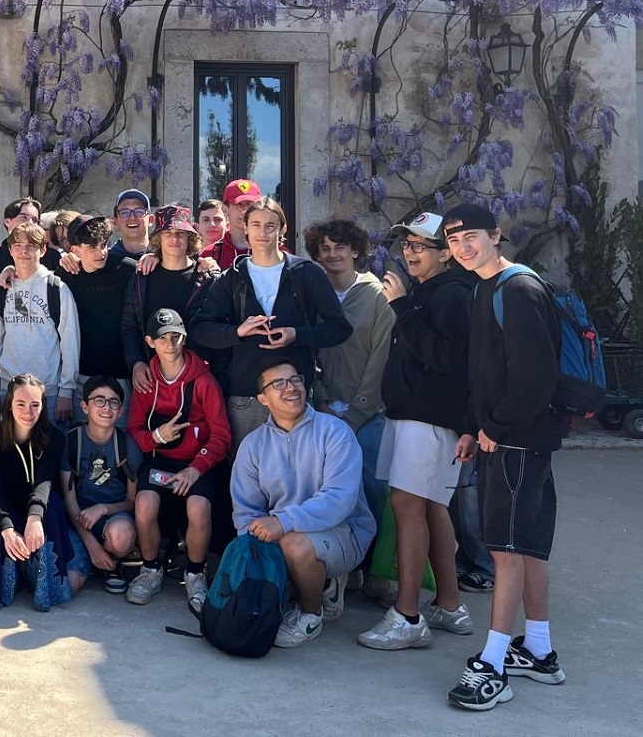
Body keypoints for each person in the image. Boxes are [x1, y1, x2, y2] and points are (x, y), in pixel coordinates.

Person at [441, 205, 567, 712]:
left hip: (517, 442)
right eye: (453, 241)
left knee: (506, 551)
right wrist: (473, 426)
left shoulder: (518, 289)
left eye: (471, 236)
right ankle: (538, 650)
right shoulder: (485, 288)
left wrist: (495, 426)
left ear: (496, 235)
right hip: (506, 438)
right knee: (527, 547)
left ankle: (492, 664)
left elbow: (536, 377)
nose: (462, 247)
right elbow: (485, 371)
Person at [356, 211, 476, 651]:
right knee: (431, 508)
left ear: (445, 253)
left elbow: (444, 357)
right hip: (413, 417)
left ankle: (407, 615)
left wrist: (402, 307)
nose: (410, 252)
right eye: (407, 245)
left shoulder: (452, 295)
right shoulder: (429, 291)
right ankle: (449, 604)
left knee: (408, 507)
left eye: (421, 246)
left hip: (428, 420)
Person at [231, 357, 375, 648]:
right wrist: (257, 551)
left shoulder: (335, 431)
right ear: (262, 399)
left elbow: (339, 499)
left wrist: (283, 522)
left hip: (343, 531)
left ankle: (311, 615)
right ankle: (324, 584)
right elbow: (246, 510)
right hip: (283, 534)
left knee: (294, 545)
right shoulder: (253, 444)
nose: (291, 388)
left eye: (295, 379)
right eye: (278, 383)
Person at [191, 198, 352, 445]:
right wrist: (237, 332)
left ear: (282, 229)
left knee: (300, 465)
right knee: (249, 466)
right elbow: (200, 329)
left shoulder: (306, 273)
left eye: (270, 226)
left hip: (295, 392)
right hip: (247, 396)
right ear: (245, 228)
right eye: (255, 225)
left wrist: (298, 334)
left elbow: (339, 328)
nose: (262, 233)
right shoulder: (232, 278)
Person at [126, 309, 231, 612]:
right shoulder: (146, 381)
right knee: (144, 504)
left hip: (196, 464)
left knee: (198, 507)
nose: (170, 345)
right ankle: (150, 569)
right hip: (160, 460)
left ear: (185, 338)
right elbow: (135, 430)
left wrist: (195, 469)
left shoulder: (204, 381)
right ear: (150, 342)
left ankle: (195, 574)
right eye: (162, 339)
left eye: (176, 337)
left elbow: (221, 436)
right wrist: (156, 436)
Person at [306, 218, 395, 522]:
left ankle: (375, 553)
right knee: (326, 490)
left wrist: (356, 415)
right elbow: (309, 352)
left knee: (373, 489)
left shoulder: (377, 295)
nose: (332, 254)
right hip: (323, 411)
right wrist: (321, 400)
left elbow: (382, 357)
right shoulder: (312, 295)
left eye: (340, 247)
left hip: (369, 414)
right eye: (325, 248)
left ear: (355, 251)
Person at [0, 374, 73, 611]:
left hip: (38, 506)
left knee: (54, 504)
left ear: (43, 405)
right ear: (9, 404)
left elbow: (44, 481)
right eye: (20, 404)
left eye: (35, 405)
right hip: (5, 506)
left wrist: (35, 517)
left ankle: (43, 584)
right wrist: (7, 529)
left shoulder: (54, 437)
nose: (28, 412)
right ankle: (12, 575)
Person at [0, 221, 80, 423]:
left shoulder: (56, 289)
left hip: (48, 392)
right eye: (18, 245)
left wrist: (66, 390)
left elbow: (70, 342)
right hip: (9, 390)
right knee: (10, 444)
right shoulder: (2, 290)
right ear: (10, 250)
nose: (24, 251)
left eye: (31, 245)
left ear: (43, 250)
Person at [126, 204, 221, 395]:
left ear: (190, 238)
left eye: (180, 233)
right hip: (152, 379)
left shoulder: (207, 278)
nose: (174, 238)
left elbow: (217, 330)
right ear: (158, 239)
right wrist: (136, 362)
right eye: (167, 233)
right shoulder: (142, 278)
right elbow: (129, 326)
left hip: (199, 381)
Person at [60, 375, 140, 597]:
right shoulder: (71, 441)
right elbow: (69, 499)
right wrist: (91, 543)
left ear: (121, 411)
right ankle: (93, 557)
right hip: (77, 518)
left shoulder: (127, 445)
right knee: (68, 584)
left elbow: (132, 501)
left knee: (122, 537)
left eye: (113, 402)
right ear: (85, 406)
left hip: (112, 516)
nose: (106, 407)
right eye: (99, 400)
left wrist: (104, 508)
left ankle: (111, 564)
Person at [58, 215, 144, 413]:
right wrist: (9, 271)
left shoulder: (127, 268)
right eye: (92, 247)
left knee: (120, 429)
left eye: (104, 244)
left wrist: (153, 257)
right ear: (75, 250)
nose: (101, 252)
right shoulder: (65, 274)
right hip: (81, 376)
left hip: (121, 375)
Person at [0, 197, 60, 286]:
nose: (30, 222)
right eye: (24, 217)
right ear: (7, 222)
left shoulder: (52, 257)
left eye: (34, 220)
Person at [201, 178, 278, 270]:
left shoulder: (276, 251)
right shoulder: (210, 254)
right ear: (225, 209)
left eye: (249, 204)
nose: (244, 210)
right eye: (239, 204)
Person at [108, 189, 152, 265]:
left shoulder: (164, 258)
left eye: (139, 212)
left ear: (150, 220)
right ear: (115, 221)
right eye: (124, 212)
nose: (132, 217)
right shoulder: (105, 261)